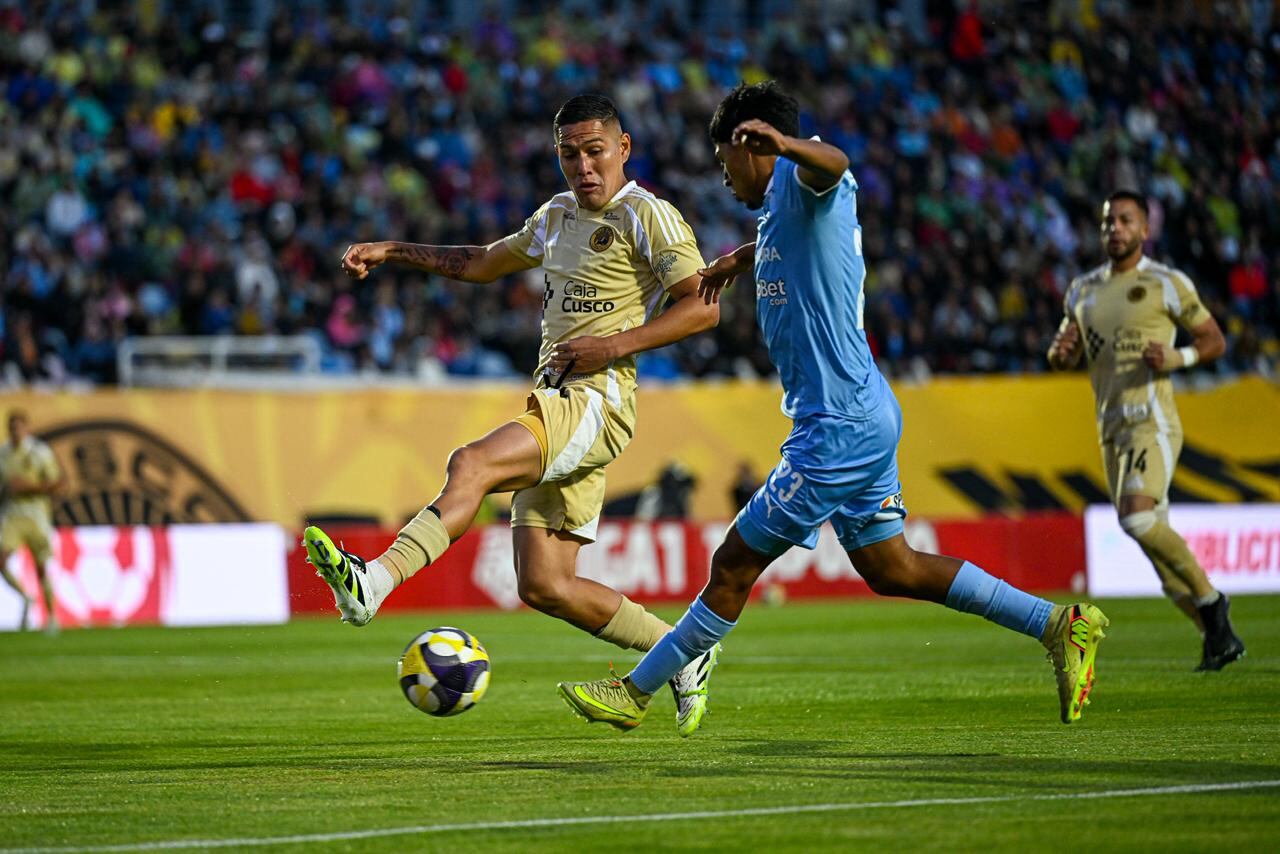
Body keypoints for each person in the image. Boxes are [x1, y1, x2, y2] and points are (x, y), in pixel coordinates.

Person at [558, 81, 1107, 731]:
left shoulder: (803, 177)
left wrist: (787, 145)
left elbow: (836, 165)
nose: (723, 175)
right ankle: (1056, 623)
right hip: (858, 412)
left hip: (838, 427)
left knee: (734, 562)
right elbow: (801, 245)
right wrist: (742, 255)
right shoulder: (778, 216)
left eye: (723, 158)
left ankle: (639, 690)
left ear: (750, 144)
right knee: (890, 565)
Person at [303, 94, 723, 735]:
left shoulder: (648, 216)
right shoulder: (554, 217)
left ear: (624, 148)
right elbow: (478, 263)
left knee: (470, 462)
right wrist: (393, 249)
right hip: (562, 401)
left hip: (597, 399)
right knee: (546, 584)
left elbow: (702, 306)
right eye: (569, 154)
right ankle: (683, 653)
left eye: (595, 151)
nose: (583, 166)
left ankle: (375, 583)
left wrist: (610, 345)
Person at [1047, 190, 1244, 671]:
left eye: (1126, 220)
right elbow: (1066, 355)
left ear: (1144, 230)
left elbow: (1213, 339)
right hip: (1110, 427)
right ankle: (1217, 641)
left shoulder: (1165, 283)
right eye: (1109, 220)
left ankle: (1214, 603)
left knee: (1137, 519)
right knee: (1155, 551)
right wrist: (1060, 352)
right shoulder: (1082, 290)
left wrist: (1178, 358)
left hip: (1150, 420)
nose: (1115, 228)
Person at [0, 410, 66, 633]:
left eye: (19, 427)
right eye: (12, 427)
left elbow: (58, 483)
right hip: (11, 516)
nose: (15, 431)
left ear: (27, 428)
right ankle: (25, 597)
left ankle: (52, 618)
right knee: (1, 560)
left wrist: (28, 487)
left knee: (41, 568)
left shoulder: (40, 452)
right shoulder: (3, 454)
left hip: (36, 516)